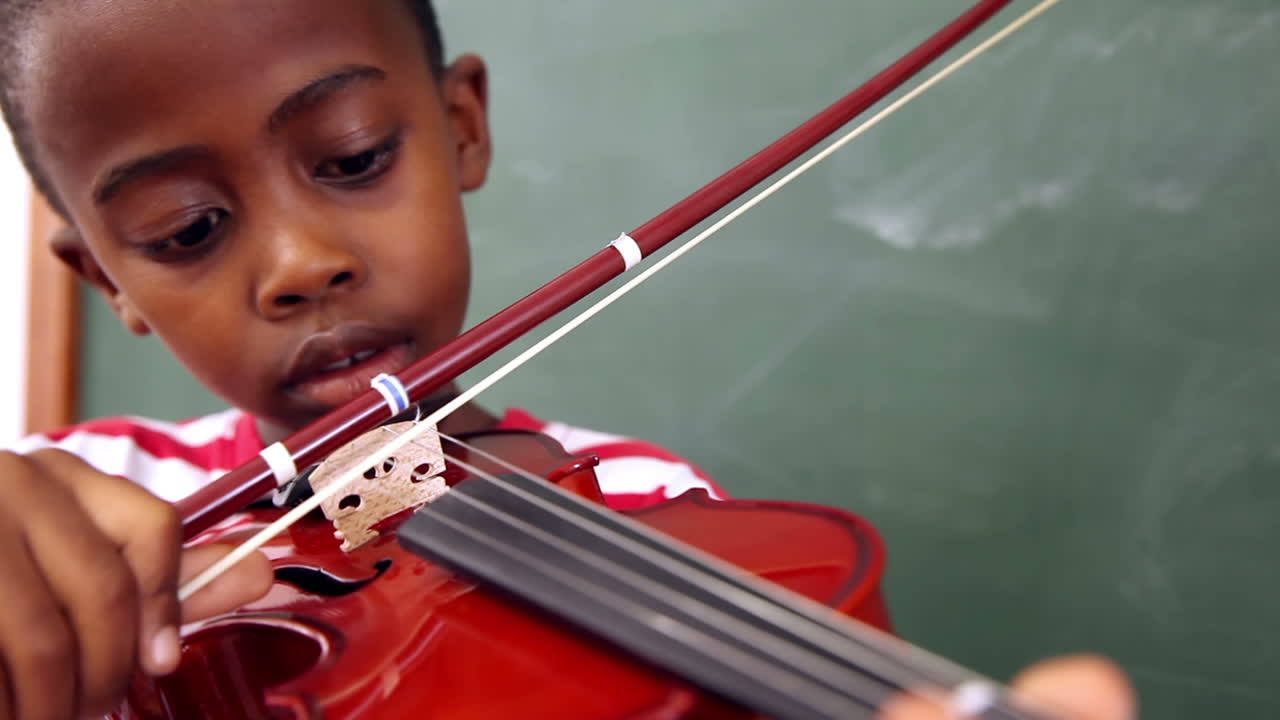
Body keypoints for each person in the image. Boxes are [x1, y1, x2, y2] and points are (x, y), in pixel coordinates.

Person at [0, 1, 1135, 717]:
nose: (300, 263)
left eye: (349, 158)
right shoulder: (71, 512)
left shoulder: (654, 512)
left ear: (462, 131)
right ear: (107, 279)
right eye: (187, 230)